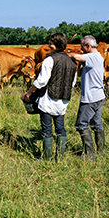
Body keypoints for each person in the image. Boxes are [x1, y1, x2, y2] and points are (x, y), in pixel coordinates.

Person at [22, 32, 77, 161]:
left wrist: (29, 92)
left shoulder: (50, 60)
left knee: (47, 129)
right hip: (63, 100)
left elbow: (41, 81)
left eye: (50, 43)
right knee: (60, 129)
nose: (49, 45)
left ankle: (46, 159)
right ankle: (60, 159)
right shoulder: (72, 61)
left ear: (54, 45)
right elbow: (72, 83)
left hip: (48, 99)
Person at [68, 35, 105, 161]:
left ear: (88, 46)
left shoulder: (92, 57)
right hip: (99, 95)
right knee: (96, 124)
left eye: (82, 47)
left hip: (90, 98)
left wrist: (64, 54)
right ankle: (100, 153)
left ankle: (89, 156)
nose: (81, 49)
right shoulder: (98, 56)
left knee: (81, 124)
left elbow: (75, 56)